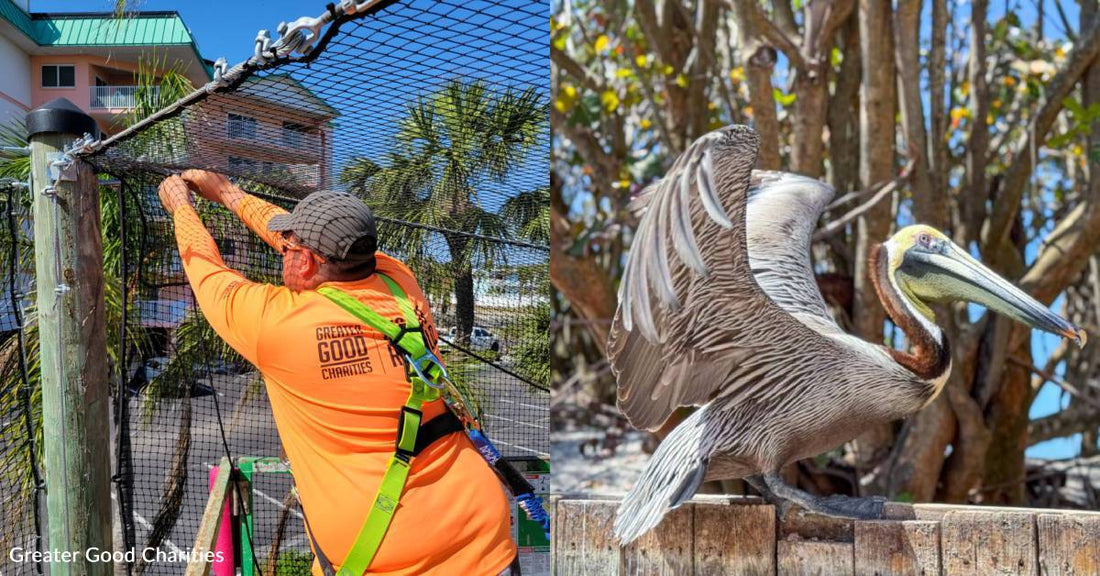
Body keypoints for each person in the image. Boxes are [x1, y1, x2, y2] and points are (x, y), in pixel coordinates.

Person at [157, 171, 517, 575]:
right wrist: (228, 194)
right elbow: (307, 243)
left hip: (389, 561)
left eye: (289, 247)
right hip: (483, 532)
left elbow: (205, 267)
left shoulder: (276, 323)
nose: (282, 250)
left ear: (307, 260)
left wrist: (182, 206)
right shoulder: (399, 280)